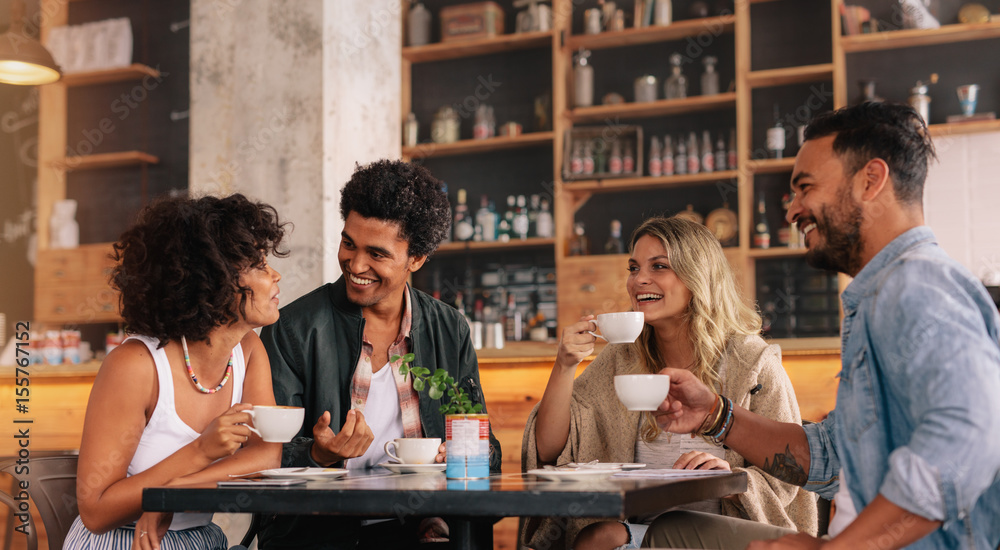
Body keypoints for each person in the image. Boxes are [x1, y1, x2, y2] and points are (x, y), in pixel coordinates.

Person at [656, 102, 1000, 550]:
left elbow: (966, 438)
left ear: (870, 181)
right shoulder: (884, 292)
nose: (792, 210)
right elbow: (831, 456)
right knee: (668, 532)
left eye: (805, 187)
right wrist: (716, 416)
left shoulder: (914, 285)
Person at [521, 216, 817, 550]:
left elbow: (790, 470)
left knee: (600, 538)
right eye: (633, 268)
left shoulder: (753, 363)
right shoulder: (622, 358)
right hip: (638, 533)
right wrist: (564, 364)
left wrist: (733, 477)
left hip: (727, 535)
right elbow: (548, 449)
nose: (639, 280)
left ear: (697, 276)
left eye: (659, 266)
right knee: (599, 536)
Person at [258, 159, 502, 550]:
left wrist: (459, 455)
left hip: (423, 532)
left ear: (417, 259)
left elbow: (489, 454)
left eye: (377, 253)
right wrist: (317, 454)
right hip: (320, 534)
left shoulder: (449, 328)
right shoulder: (292, 328)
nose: (355, 265)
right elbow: (259, 455)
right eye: (348, 243)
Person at [64, 194, 286, 550]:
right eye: (259, 265)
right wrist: (201, 450)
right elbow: (96, 510)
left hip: (202, 539)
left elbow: (264, 456)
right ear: (214, 280)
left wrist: (172, 493)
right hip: (125, 542)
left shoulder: (248, 349)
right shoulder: (136, 365)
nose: (276, 274)